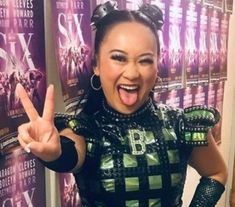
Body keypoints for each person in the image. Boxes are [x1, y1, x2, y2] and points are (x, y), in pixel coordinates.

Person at [16, 1, 227, 206]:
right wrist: (54, 153)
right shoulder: (86, 129)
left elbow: (216, 172)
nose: (133, 73)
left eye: (145, 60)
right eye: (119, 58)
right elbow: (70, 154)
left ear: (156, 66)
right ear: (96, 65)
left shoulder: (180, 124)